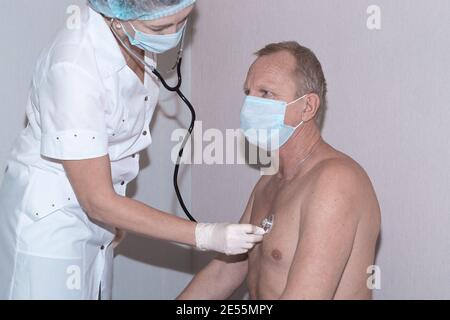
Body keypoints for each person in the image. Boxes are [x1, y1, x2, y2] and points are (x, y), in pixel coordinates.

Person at [0, 0, 264, 300]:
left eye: (183, 21)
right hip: (50, 223)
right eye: (160, 27)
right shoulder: (72, 67)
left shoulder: (131, 34)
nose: (172, 35)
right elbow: (97, 199)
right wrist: (206, 235)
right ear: (115, 14)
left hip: (98, 213)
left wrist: (115, 215)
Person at [178, 41, 381, 300]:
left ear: (307, 107)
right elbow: (223, 273)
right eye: (248, 92)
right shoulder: (269, 183)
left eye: (265, 93)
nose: (250, 105)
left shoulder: (335, 181)